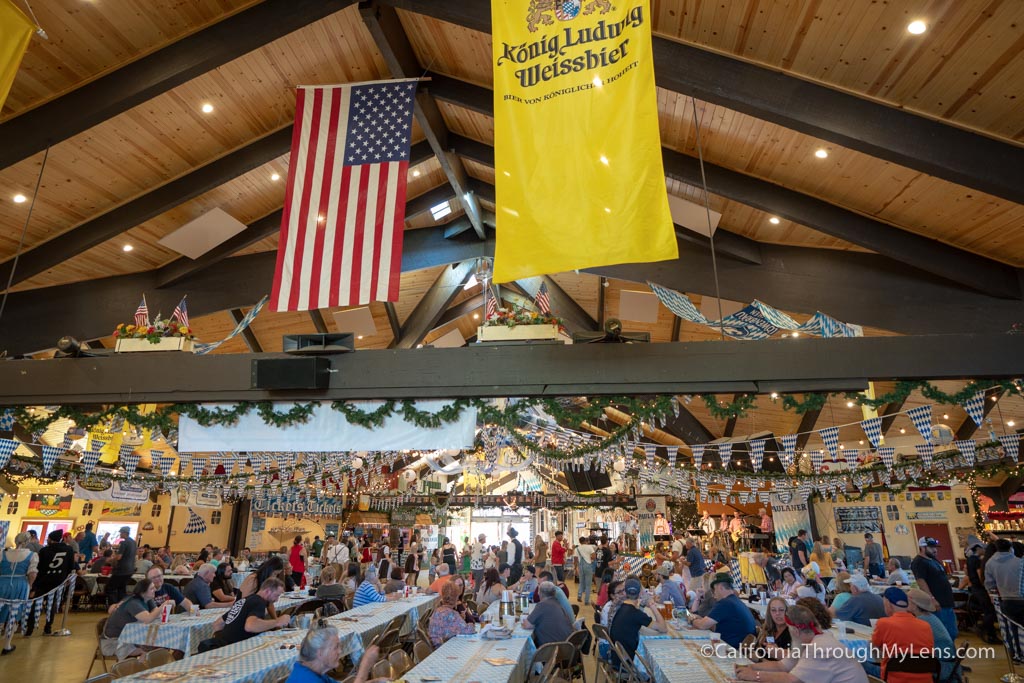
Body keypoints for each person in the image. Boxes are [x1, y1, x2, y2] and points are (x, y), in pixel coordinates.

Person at [736, 604, 869, 683]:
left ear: (795, 630)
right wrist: (750, 668)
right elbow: (782, 666)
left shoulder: (818, 647)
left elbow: (792, 680)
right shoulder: (814, 640)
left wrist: (755, 675)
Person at [867, 587, 935, 682]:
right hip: (925, 679)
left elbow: (875, 652)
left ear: (887, 604)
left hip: (894, 678)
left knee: (858, 663)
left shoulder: (883, 623)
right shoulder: (926, 626)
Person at [26, 529, 76, 636]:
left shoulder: (45, 550)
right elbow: (71, 566)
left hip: (43, 581)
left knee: (35, 604)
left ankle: (29, 629)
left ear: (51, 539)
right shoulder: (69, 550)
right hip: (59, 581)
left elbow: (39, 567)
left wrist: (34, 585)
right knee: (52, 605)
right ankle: (48, 628)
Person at [214, 577, 290, 646]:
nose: (276, 600)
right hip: (236, 647)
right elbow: (250, 626)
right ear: (267, 591)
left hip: (221, 644)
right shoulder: (259, 602)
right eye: (276, 595)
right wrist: (278, 622)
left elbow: (218, 624)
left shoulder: (245, 600)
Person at [689, 573, 757, 649]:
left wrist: (692, 620)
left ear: (720, 587)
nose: (713, 594)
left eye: (714, 590)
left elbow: (702, 625)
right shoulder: (735, 601)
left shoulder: (725, 603)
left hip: (733, 650)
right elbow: (716, 625)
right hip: (738, 645)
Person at [102, 579, 164, 660]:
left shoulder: (147, 599)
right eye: (152, 588)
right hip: (114, 642)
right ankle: (138, 669)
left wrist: (159, 610)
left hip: (131, 637)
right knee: (149, 650)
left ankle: (145, 666)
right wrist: (163, 605)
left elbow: (157, 615)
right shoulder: (133, 603)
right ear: (143, 592)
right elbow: (147, 619)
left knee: (158, 644)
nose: (155, 590)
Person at [610, 578, 667, 667]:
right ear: (640, 593)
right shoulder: (637, 614)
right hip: (628, 661)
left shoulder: (621, 607)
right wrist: (652, 606)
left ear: (625, 592)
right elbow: (663, 628)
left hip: (617, 657)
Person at [911, 536, 958, 640]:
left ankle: (951, 653)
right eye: (931, 547)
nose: (935, 550)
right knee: (944, 633)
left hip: (946, 601)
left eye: (935, 547)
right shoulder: (919, 562)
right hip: (937, 603)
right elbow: (921, 581)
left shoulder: (933, 560)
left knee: (952, 632)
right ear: (922, 547)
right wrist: (931, 598)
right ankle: (945, 654)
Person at [0, 531, 38, 655]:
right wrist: (30, 585)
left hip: (2, 582)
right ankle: (7, 644)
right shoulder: (32, 555)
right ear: (27, 541)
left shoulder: (3, 553)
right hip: (20, 584)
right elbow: (32, 573)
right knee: (14, 614)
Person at [906, 588, 957, 682]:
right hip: (947, 664)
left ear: (914, 605)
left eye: (907, 600)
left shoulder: (921, 621)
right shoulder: (929, 617)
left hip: (941, 667)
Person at [964, 535, 998, 643]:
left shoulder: (969, 560)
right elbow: (980, 575)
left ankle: (985, 630)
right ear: (978, 548)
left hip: (975, 588)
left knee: (987, 611)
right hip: (980, 589)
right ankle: (989, 633)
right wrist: (987, 587)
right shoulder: (977, 561)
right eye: (983, 548)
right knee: (990, 612)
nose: (984, 550)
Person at [522, 581, 574, 646]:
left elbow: (527, 625)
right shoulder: (556, 602)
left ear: (539, 593)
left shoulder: (542, 605)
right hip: (567, 646)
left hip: (553, 649)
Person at [427, 580, 475, 647]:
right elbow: (469, 630)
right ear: (456, 598)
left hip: (433, 647)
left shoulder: (436, 611)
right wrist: (470, 624)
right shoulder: (452, 614)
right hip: (442, 649)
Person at [107, 526, 137, 605]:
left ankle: (113, 606)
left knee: (110, 588)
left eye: (121, 532)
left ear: (124, 533)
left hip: (121, 570)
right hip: (130, 570)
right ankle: (122, 605)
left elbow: (119, 557)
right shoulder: (133, 543)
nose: (120, 534)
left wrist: (111, 559)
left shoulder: (124, 542)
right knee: (121, 589)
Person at [575, 535, 596, 605]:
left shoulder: (577, 549)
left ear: (580, 542)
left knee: (581, 582)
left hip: (580, 566)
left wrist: (576, 568)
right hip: (588, 565)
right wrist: (590, 559)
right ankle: (586, 600)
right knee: (588, 584)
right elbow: (594, 556)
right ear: (585, 541)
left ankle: (579, 595)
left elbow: (575, 559)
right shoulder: (589, 547)